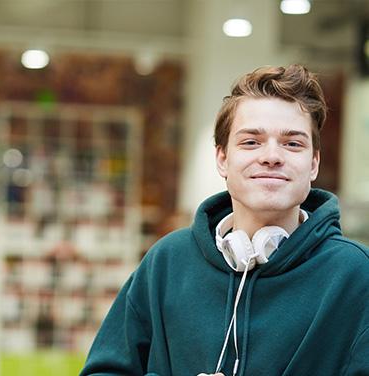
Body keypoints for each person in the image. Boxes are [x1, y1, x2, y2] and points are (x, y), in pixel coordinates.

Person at [79, 65, 369, 376]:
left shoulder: (356, 275)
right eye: (251, 142)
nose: (272, 156)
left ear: (313, 164)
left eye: (292, 143)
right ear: (222, 159)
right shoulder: (167, 262)